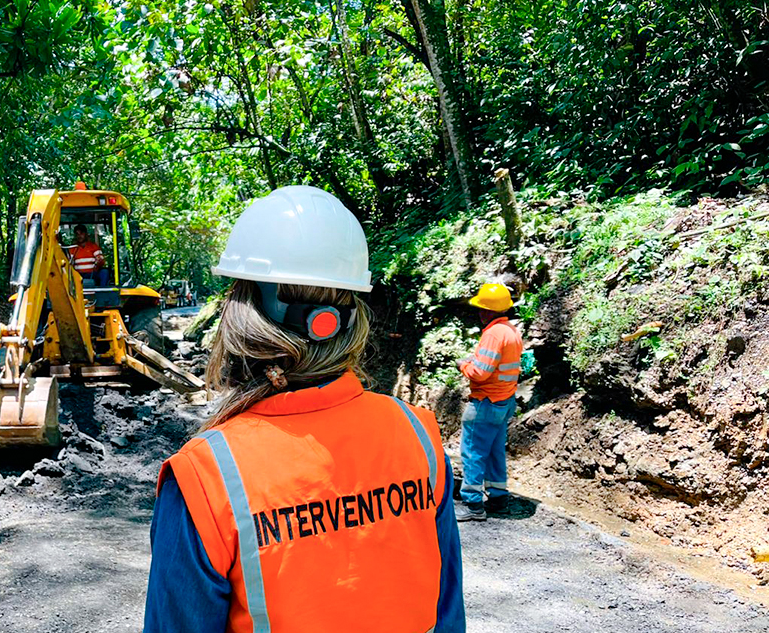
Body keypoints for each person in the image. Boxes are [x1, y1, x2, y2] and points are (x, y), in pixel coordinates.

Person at [143, 186, 465, 632]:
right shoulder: (417, 435)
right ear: (350, 314)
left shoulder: (206, 478)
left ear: (243, 312)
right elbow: (447, 615)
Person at [454, 283, 523, 522]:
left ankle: (473, 505)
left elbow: (480, 373)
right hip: (504, 401)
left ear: (488, 311)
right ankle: (498, 498)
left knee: (473, 452)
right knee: (494, 452)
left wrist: (463, 365)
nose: (479, 312)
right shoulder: (511, 331)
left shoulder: (493, 333)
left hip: (485, 401)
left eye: (482, 308)